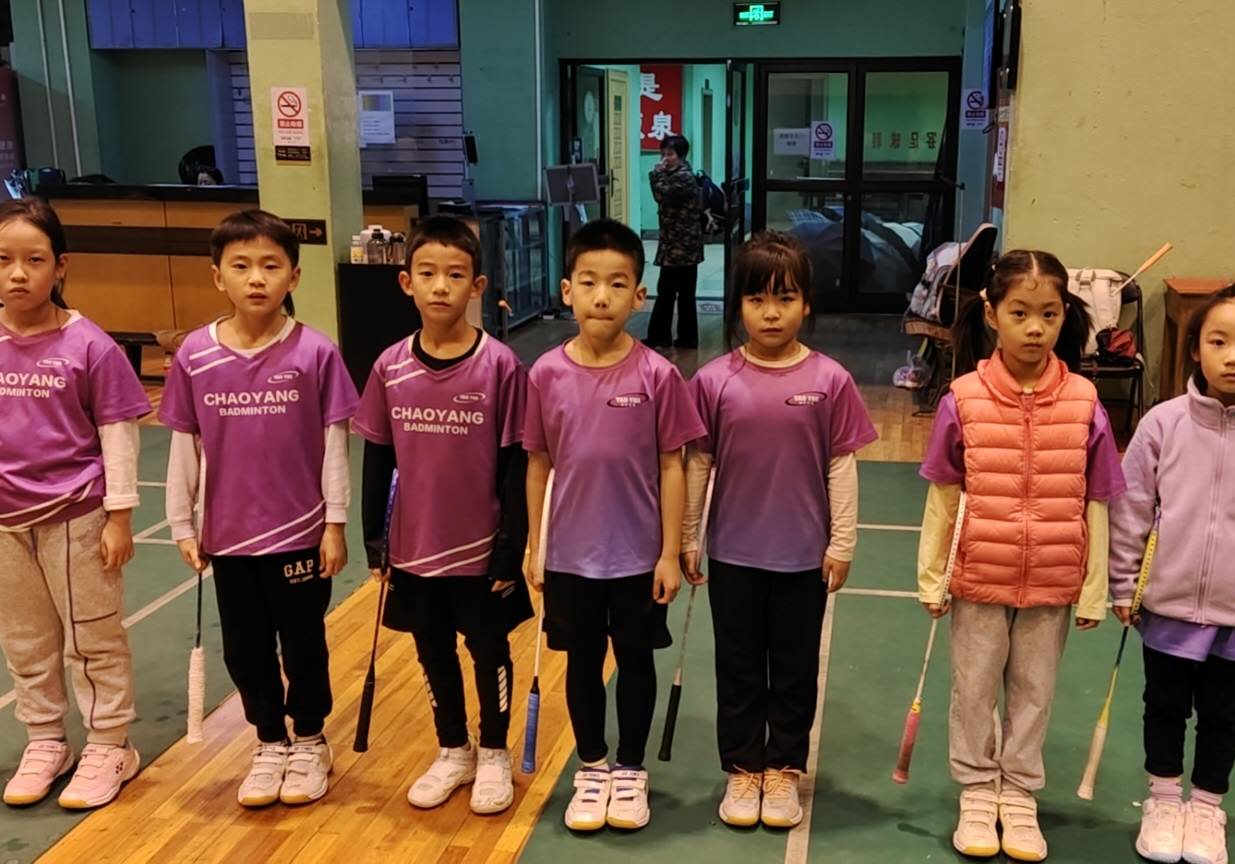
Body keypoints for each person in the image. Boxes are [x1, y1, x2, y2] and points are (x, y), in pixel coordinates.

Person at [0, 198, 153, 809]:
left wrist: (120, 515)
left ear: (61, 266)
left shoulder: (91, 346)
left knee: (93, 637)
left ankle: (110, 743)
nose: (18, 274)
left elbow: (118, 436)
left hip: (77, 516)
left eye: (35, 260)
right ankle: (46, 738)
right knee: (24, 639)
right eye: (3, 259)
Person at [915, 249, 1123, 861]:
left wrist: (1094, 589)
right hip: (979, 576)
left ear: (1064, 316)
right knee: (974, 689)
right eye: (1021, 313)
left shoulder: (1085, 401)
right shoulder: (962, 399)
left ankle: (1020, 792)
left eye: (1049, 315)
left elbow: (1097, 501)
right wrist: (932, 577)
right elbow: (942, 499)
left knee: (1035, 692)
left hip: (1052, 582)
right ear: (992, 314)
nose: (1035, 328)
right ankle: (979, 790)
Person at [161, 209, 359, 808]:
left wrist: (335, 523)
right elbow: (185, 444)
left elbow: (334, 445)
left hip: (299, 534)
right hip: (230, 538)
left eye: (271, 266)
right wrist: (182, 523)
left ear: (293, 277)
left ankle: (310, 738)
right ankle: (269, 740)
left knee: (303, 645)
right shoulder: (195, 355)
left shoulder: (315, 353)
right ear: (217, 275)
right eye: (241, 266)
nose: (256, 278)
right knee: (245, 651)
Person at [1110, 284, 1235, 864]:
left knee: (1223, 714)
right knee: (1164, 706)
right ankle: (1163, 801)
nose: (1233, 357)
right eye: (1218, 342)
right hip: (1167, 605)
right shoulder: (1162, 424)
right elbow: (1131, 508)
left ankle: (1205, 808)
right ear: (1195, 348)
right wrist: (1124, 582)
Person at [682, 231, 877, 830]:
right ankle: (744, 768)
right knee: (739, 666)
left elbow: (841, 465)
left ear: (806, 304)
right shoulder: (713, 380)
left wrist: (842, 542)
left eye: (785, 298)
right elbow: (698, 464)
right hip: (734, 555)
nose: (771, 313)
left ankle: (784, 766)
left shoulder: (831, 380)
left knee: (793, 669)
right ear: (738, 304)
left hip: (803, 559)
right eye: (757, 299)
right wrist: (688, 537)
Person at [523, 219, 705, 832]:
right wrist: (535, 545)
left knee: (635, 659)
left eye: (618, 284)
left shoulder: (658, 376)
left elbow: (673, 466)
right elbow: (537, 464)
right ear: (567, 290)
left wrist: (670, 551)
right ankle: (592, 766)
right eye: (589, 282)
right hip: (569, 556)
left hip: (637, 557)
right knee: (580, 662)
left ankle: (630, 769)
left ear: (639, 296)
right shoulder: (545, 374)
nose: (602, 296)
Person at [355, 215, 532, 816]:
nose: (440, 286)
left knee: (488, 650)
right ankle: (453, 749)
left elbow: (515, 463)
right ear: (406, 282)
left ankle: (494, 751)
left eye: (455, 275)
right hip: (414, 547)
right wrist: (374, 539)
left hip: (480, 548)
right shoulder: (389, 366)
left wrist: (511, 545)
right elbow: (378, 456)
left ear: (476, 286)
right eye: (427, 274)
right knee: (432, 651)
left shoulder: (500, 366)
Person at [645, 133, 705, 350]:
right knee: (671, 292)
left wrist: (655, 174)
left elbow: (661, 195)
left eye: (669, 154)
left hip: (682, 246)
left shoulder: (684, 177)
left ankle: (667, 337)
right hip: (675, 244)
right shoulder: (676, 174)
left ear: (681, 156)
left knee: (673, 293)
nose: (665, 159)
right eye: (663, 154)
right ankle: (673, 337)